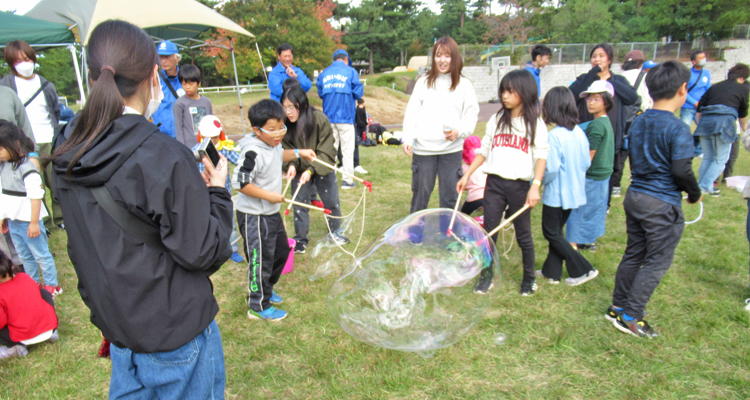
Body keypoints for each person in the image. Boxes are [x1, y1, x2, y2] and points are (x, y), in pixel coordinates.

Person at [49, 20, 232, 397]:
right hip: (173, 331)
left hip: (119, 325)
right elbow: (204, 251)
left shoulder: (66, 149)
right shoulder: (162, 156)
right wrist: (216, 192)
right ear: (153, 74)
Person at [606, 60, 702, 338]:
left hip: (635, 196)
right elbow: (681, 169)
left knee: (634, 252)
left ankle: (617, 306)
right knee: (657, 260)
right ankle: (631, 316)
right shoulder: (678, 128)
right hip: (660, 203)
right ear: (684, 89)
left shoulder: (638, 120)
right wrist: (694, 193)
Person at [457, 69, 548, 296]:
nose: (505, 96)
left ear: (524, 92)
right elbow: (484, 150)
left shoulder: (535, 124)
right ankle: (486, 276)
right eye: (503, 91)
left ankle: (529, 279)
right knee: (489, 231)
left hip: (519, 187)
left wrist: (535, 186)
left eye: (510, 91)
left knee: (523, 234)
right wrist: (467, 175)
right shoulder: (497, 120)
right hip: (494, 184)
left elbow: (541, 156)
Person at [234, 99, 316, 320]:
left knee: (280, 252)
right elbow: (240, 183)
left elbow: (279, 156)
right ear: (257, 131)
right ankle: (258, 305)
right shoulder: (252, 151)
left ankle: (265, 289)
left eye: (282, 127)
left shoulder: (273, 143)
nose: (279, 133)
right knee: (260, 258)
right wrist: (269, 195)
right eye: (272, 129)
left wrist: (300, 152)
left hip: (270, 213)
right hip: (254, 215)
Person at [403, 37, 479, 214]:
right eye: (438, 55)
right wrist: (408, 137)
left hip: (451, 151)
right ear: (433, 58)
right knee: (421, 194)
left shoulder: (464, 85)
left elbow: (471, 113)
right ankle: (415, 234)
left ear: (455, 57)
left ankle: (449, 236)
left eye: (447, 55)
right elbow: (411, 112)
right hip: (424, 150)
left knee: (450, 197)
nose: (442, 60)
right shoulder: (423, 82)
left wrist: (460, 131)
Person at [537, 87, 597, 286]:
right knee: (557, 232)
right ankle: (551, 273)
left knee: (551, 232)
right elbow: (587, 163)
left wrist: (536, 183)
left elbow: (551, 168)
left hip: (557, 195)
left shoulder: (554, 136)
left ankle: (583, 269)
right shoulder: (580, 132)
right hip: (574, 193)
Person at [0, 40, 63, 230]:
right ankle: (44, 223)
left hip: (49, 140)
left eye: (27, 58)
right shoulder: (6, 86)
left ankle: (61, 219)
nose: (24, 63)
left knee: (56, 183)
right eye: (18, 60)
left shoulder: (46, 85)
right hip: (22, 145)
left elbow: (56, 111)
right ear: (11, 63)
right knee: (34, 185)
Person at [281, 86, 349, 254]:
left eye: (292, 107)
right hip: (299, 169)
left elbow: (327, 151)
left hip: (322, 166)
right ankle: (300, 239)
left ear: (302, 105)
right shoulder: (285, 125)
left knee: (331, 201)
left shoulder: (319, 119)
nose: (288, 112)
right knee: (299, 203)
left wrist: (311, 170)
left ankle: (335, 233)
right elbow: (288, 150)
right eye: (285, 107)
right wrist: (291, 166)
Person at [569, 43, 638, 207]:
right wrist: (593, 75)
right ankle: (581, 200)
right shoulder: (585, 80)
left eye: (601, 56)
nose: (597, 59)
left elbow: (632, 98)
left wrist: (607, 83)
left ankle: (604, 204)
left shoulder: (619, 80)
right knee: (586, 166)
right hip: (588, 132)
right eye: (594, 56)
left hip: (611, 132)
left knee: (608, 168)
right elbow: (571, 95)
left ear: (609, 59)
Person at [0, 121, 60, 296]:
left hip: (29, 222)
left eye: (1, 148)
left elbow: (36, 197)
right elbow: (4, 196)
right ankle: (32, 283)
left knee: (41, 254)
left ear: (16, 144)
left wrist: (34, 223)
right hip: (14, 222)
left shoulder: (27, 169)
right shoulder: (4, 167)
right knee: (24, 255)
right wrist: (3, 218)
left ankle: (52, 285)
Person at [566, 81, 615, 252]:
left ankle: (575, 242)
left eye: (596, 99)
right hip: (604, 175)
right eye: (589, 99)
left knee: (580, 210)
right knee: (596, 209)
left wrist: (576, 172)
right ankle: (589, 240)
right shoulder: (605, 122)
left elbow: (589, 156)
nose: (591, 103)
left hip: (592, 175)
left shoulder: (596, 125)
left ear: (606, 102)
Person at [191, 115, 244, 263]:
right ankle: (211, 249)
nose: (212, 141)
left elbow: (239, 160)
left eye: (215, 137)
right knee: (206, 222)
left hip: (223, 194)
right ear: (201, 135)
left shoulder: (223, 150)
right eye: (208, 137)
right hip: (203, 195)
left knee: (229, 223)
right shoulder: (194, 152)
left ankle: (232, 249)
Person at [694, 63, 750, 196]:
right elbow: (743, 113)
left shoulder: (715, 87)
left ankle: (702, 186)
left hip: (705, 123)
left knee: (708, 157)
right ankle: (705, 186)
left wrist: (700, 124)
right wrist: (744, 128)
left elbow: (699, 107)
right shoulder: (742, 89)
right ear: (742, 78)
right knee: (721, 158)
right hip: (724, 123)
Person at [317, 49, 364, 190]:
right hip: (346, 116)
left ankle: (327, 179)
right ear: (346, 59)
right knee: (347, 150)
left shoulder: (324, 73)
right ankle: (347, 181)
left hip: (328, 117)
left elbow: (320, 93)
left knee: (330, 149)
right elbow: (358, 92)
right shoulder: (350, 72)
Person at [0, 251, 58, 360]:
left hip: (23, 337)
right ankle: (52, 334)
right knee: (44, 293)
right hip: (49, 328)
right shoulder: (24, 277)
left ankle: (14, 349)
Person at [151, 40, 185, 138]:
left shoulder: (186, 79)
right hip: (161, 136)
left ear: (177, 58)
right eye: (161, 57)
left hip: (183, 136)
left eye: (167, 57)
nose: (163, 61)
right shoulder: (154, 79)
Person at [680, 50, 712, 157]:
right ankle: (682, 151)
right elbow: (684, 91)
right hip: (688, 108)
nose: (704, 59)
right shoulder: (687, 74)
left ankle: (698, 151)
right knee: (684, 130)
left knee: (704, 129)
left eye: (704, 57)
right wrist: (694, 102)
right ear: (694, 61)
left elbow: (708, 89)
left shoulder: (706, 73)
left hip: (702, 108)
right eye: (701, 58)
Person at [174, 64, 212, 148]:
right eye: (184, 84)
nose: (187, 87)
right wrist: (182, 148)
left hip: (206, 146)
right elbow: (179, 129)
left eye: (191, 84)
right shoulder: (180, 103)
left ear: (199, 83)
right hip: (189, 148)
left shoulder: (207, 102)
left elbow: (211, 124)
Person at [459, 136, 486, 215]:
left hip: (473, 199)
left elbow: (464, 185)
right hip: (487, 197)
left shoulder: (464, 168)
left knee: (463, 216)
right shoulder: (486, 165)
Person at [353, 98, 369, 174]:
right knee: (363, 134)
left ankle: (360, 140)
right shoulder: (363, 110)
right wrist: (366, 123)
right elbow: (365, 118)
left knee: (358, 135)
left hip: (357, 124)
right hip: (363, 124)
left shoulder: (356, 110)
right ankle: (363, 140)